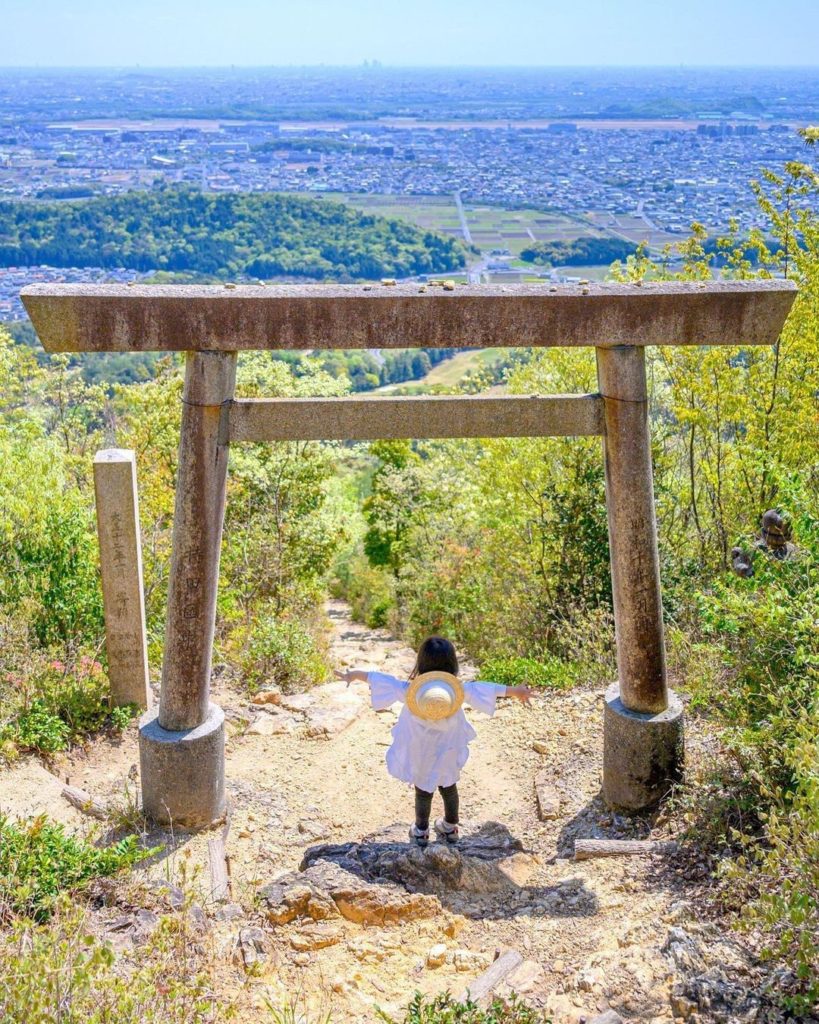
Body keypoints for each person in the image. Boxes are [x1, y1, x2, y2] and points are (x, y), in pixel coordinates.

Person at [334, 635, 533, 847]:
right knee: (449, 786)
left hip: (421, 751)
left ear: (421, 662)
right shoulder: (459, 691)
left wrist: (353, 675)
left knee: (423, 790)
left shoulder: (410, 690)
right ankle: (450, 827)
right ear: (452, 663)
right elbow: (487, 688)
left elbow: (381, 680)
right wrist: (517, 691)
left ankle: (421, 831)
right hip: (448, 749)